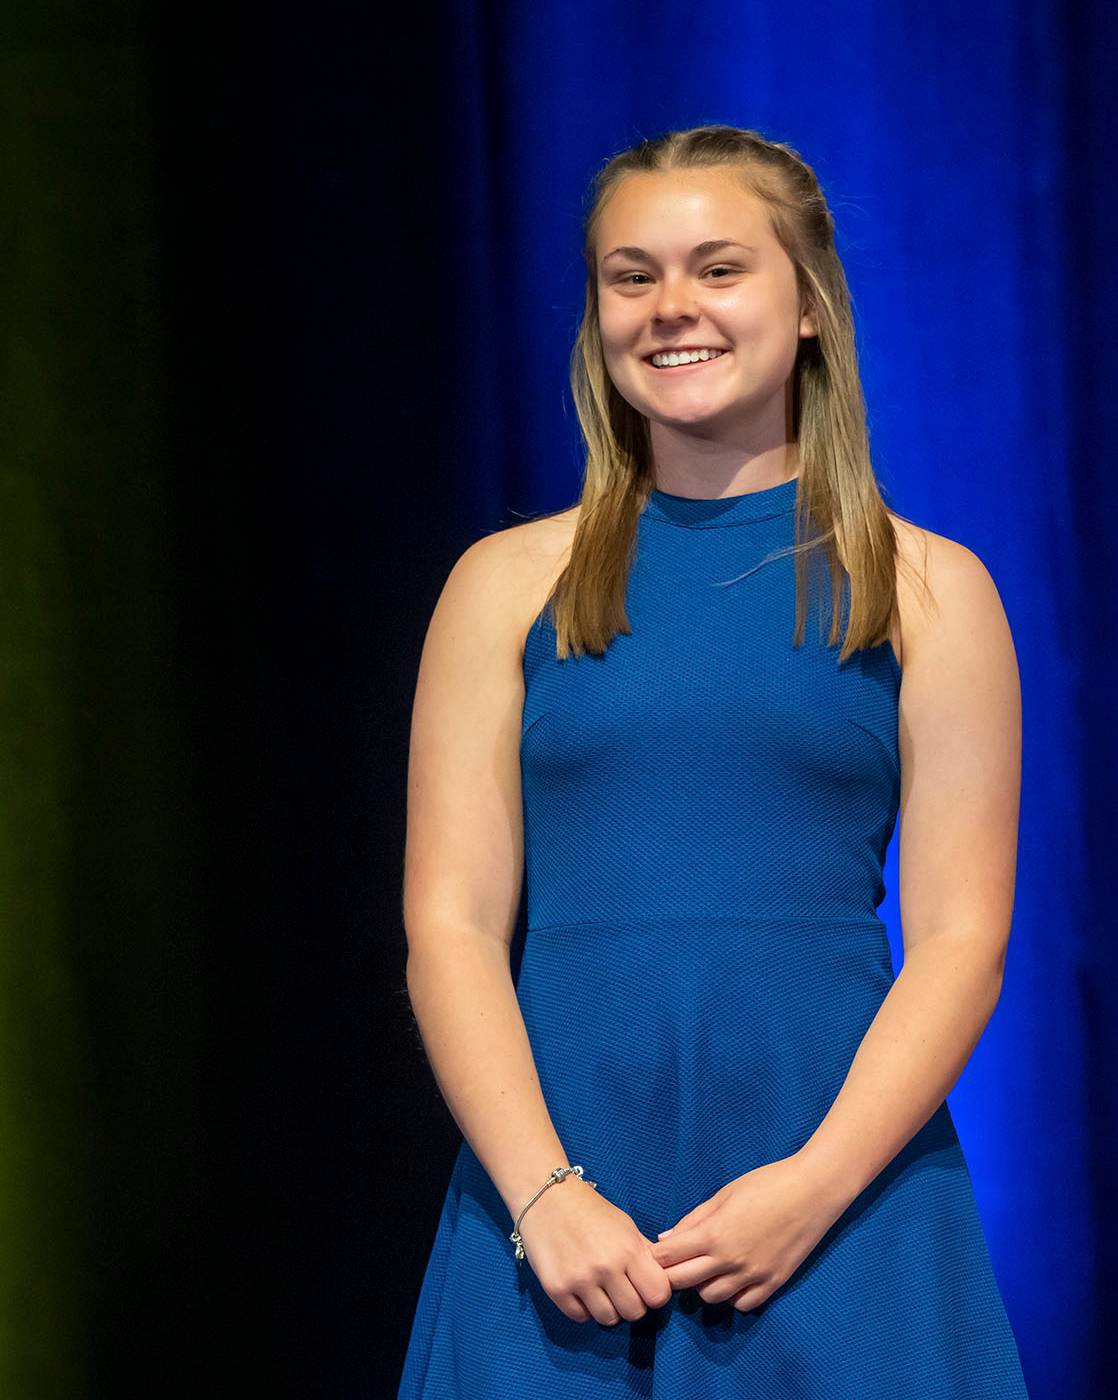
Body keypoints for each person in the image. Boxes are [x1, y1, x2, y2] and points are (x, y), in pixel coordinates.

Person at [397, 123, 1028, 1398]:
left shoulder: (926, 590)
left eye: (717, 267)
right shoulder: (504, 584)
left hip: (841, 1202)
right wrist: (542, 1194)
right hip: (559, 1215)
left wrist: (812, 1187)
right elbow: (450, 923)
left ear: (808, 304)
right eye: (631, 276)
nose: (670, 306)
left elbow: (963, 937)